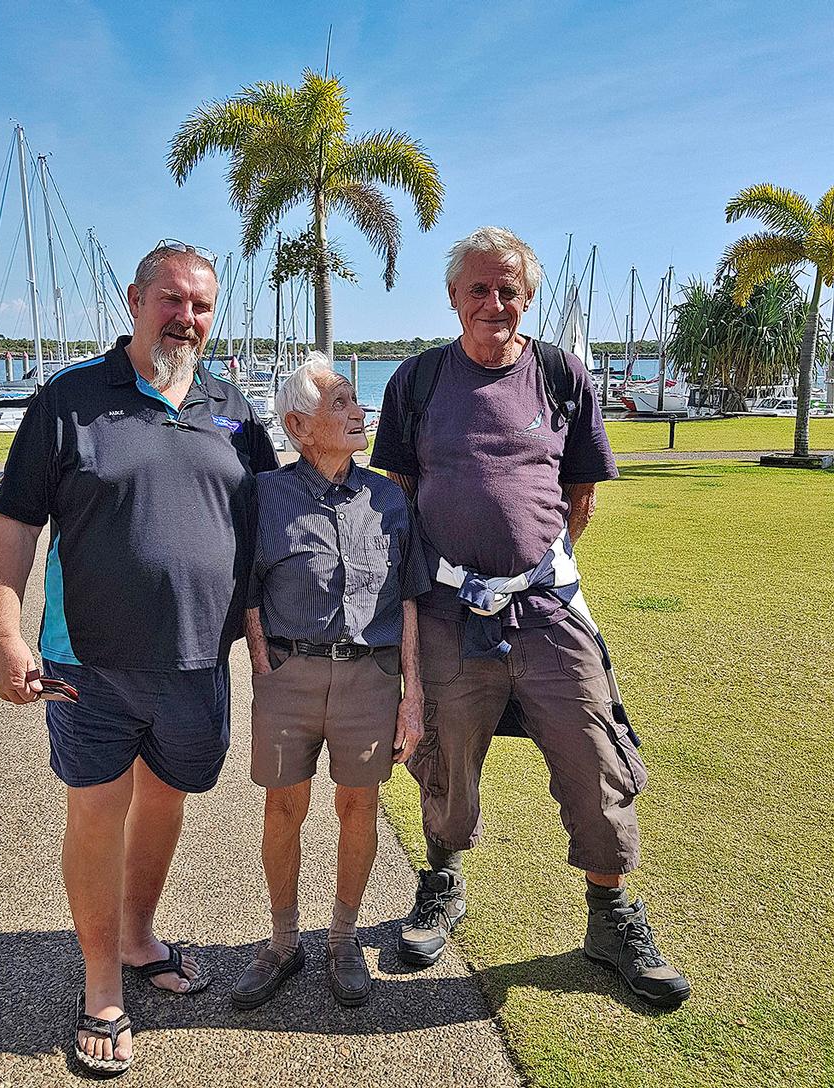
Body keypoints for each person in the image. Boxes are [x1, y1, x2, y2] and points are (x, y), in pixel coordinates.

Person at [370, 226, 690, 1008]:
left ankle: (610, 918)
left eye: (509, 289)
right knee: (445, 756)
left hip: (547, 610)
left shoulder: (560, 374)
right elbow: (399, 499)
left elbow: (578, 496)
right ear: (453, 297)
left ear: (529, 297)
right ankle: (441, 887)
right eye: (478, 288)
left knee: (595, 753)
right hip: (448, 612)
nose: (495, 302)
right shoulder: (415, 383)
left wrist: (524, 571)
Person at [0, 240, 278, 1076]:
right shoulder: (70, 402)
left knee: (166, 801)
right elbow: (12, 528)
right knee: (98, 809)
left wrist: (265, 657)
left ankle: (141, 933)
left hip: (196, 665)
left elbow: (261, 543)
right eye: (172, 300)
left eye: (202, 306)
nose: (187, 318)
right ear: (136, 299)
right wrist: (4, 632)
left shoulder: (236, 411)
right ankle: (102, 982)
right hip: (90, 667)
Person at [233, 354, 430, 1010]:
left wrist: (413, 698)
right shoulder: (264, 493)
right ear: (298, 424)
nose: (358, 410)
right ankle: (283, 943)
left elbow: (406, 600)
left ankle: (342, 941)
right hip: (288, 677)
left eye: (356, 399)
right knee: (283, 807)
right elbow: (248, 589)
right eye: (342, 401)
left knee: (359, 807)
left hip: (369, 679)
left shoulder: (388, 497)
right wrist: (265, 667)